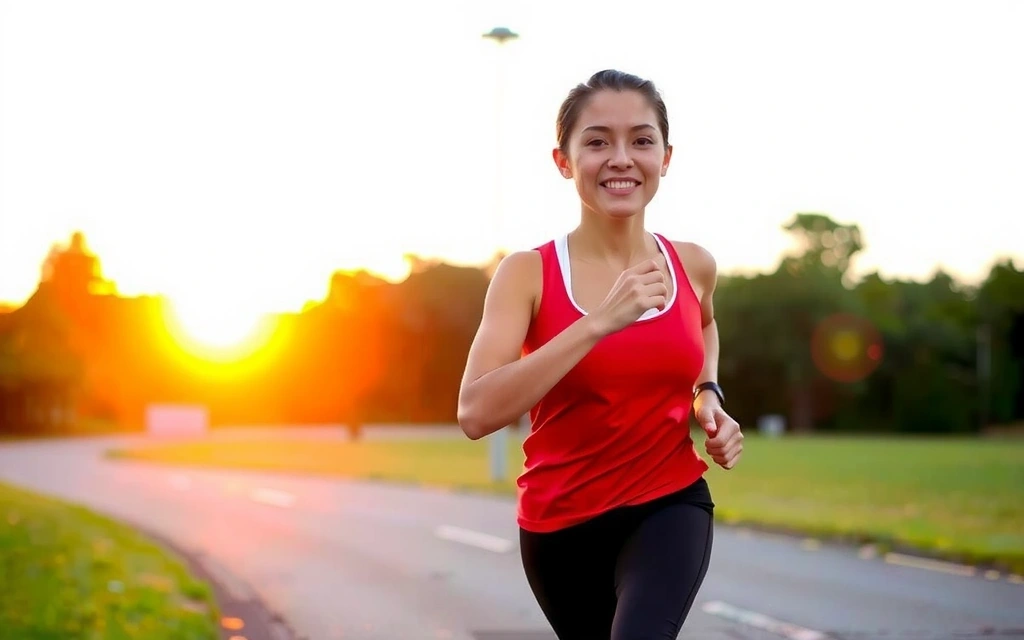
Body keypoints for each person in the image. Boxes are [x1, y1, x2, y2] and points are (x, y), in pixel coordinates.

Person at [456, 69, 744, 640]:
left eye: (641, 140)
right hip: (560, 526)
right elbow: (475, 412)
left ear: (665, 157)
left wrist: (707, 393)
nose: (620, 158)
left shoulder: (693, 265)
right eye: (596, 141)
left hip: (668, 502)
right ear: (564, 161)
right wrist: (599, 323)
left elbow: (705, 326)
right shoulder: (528, 274)